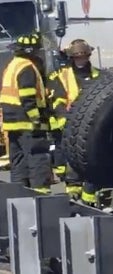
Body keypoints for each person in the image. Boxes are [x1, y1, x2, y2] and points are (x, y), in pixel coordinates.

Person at [47, 39, 101, 204]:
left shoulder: (98, 75)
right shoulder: (60, 76)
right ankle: (73, 193)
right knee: (72, 159)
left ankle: (90, 196)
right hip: (69, 125)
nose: (81, 60)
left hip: (92, 126)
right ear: (71, 58)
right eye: (78, 58)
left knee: (93, 158)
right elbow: (57, 101)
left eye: (84, 57)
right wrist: (66, 120)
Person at [0, 33, 52, 193]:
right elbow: (27, 95)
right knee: (37, 155)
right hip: (27, 121)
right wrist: (36, 118)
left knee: (18, 160)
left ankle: (19, 192)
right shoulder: (27, 67)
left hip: (12, 122)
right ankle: (41, 193)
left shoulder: (13, 64)